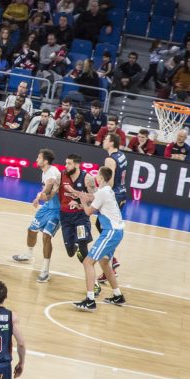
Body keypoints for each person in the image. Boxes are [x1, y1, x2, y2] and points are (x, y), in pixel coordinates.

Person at [72, 166, 126, 311]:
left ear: (100, 178)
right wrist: (80, 197)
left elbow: (89, 211)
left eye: (97, 175)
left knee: (88, 262)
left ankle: (90, 301)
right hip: (117, 231)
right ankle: (118, 295)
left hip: (111, 232)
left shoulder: (102, 192)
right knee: (104, 263)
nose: (95, 177)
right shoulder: (108, 190)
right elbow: (93, 198)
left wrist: (82, 202)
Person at [12, 149, 61, 283]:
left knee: (46, 236)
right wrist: (40, 197)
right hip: (47, 207)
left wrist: (39, 196)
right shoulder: (45, 171)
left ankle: (45, 270)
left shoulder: (51, 171)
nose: (36, 160)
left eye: (39, 158)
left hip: (57, 210)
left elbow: (50, 184)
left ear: (45, 161)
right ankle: (28, 254)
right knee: (31, 230)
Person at [58, 154, 99, 299]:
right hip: (66, 217)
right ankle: (73, 242)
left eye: (68, 164)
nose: (66, 166)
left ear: (77, 165)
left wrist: (78, 200)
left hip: (81, 217)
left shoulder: (87, 178)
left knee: (83, 248)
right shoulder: (62, 175)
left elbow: (94, 198)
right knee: (71, 252)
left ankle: (94, 283)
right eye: (65, 163)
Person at [96, 132, 127, 282]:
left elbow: (111, 182)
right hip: (122, 194)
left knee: (106, 230)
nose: (103, 140)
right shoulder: (121, 155)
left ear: (112, 143)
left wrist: (99, 192)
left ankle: (110, 264)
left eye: (106, 139)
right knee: (107, 228)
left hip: (114, 196)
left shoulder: (110, 159)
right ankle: (111, 261)